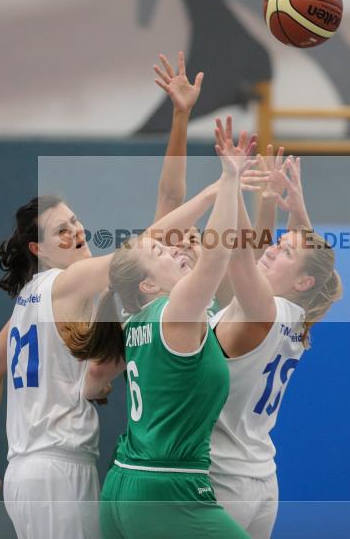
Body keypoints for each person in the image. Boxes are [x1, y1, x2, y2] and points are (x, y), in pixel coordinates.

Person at [0, 53, 207, 539]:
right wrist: (220, 190)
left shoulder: (29, 302)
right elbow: (149, 239)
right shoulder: (67, 282)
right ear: (38, 249)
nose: (77, 231)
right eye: (62, 230)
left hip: (29, 470)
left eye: (76, 221)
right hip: (56, 467)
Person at [79, 117, 254, 539]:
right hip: (166, 487)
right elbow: (215, 258)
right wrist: (228, 179)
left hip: (125, 481)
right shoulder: (173, 313)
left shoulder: (135, 319)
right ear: (148, 284)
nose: (174, 248)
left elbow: (92, 383)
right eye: (160, 250)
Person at [208, 151, 343, 538]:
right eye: (279, 244)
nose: (271, 249)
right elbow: (309, 267)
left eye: (283, 251)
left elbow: (238, 253)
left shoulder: (263, 310)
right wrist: (297, 213)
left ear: (302, 282)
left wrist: (232, 179)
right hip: (261, 478)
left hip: (225, 478)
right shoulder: (300, 315)